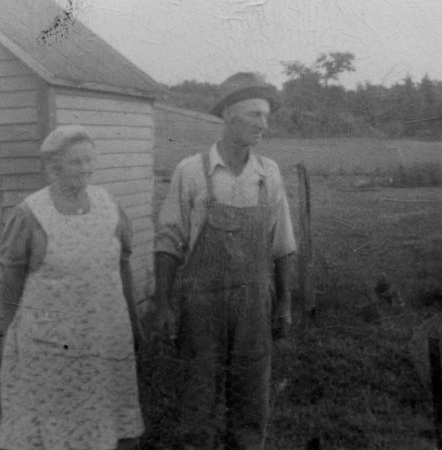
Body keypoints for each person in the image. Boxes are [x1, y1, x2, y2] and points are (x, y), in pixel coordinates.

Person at [153, 73, 297, 450]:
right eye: (255, 115)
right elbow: (168, 243)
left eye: (266, 116)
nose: (264, 124)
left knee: (250, 402)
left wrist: (284, 304)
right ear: (229, 116)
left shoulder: (269, 174)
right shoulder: (191, 172)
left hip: (254, 305)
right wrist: (165, 304)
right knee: (198, 402)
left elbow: (283, 245)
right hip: (201, 305)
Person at [0, 125, 145, 450]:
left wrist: (134, 322)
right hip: (51, 339)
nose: (86, 169)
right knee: (53, 416)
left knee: (104, 410)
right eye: (77, 162)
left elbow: (123, 266)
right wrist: (10, 332)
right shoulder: (30, 214)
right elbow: (12, 279)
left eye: (90, 161)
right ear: (53, 167)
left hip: (104, 332)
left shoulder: (109, 205)